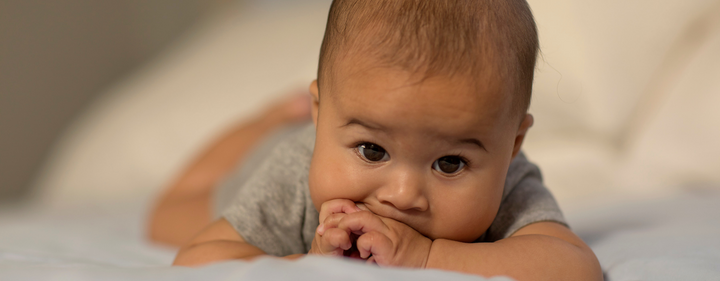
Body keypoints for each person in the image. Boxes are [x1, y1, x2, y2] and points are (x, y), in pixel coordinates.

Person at [150, 0, 602, 279]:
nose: (403, 195)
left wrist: (424, 257)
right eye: (372, 151)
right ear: (322, 113)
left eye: (449, 164)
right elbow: (197, 260)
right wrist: (311, 263)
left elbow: (573, 268)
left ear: (513, 146)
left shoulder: (507, 183)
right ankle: (270, 118)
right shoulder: (293, 172)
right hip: (263, 158)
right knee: (168, 217)